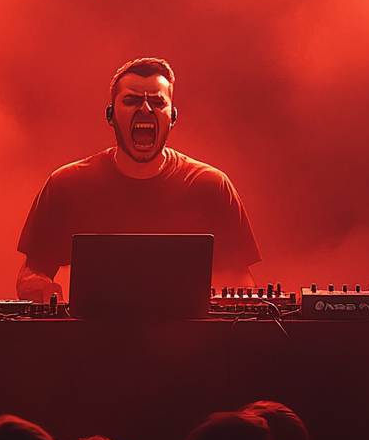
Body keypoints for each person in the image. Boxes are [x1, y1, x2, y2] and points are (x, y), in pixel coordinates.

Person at [16, 57, 261, 301]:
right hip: (89, 339)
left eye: (157, 101)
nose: (145, 109)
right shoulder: (66, 184)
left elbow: (239, 280)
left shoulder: (211, 186)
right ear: (110, 115)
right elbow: (32, 271)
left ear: (173, 117)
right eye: (132, 100)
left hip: (188, 339)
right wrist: (43, 291)